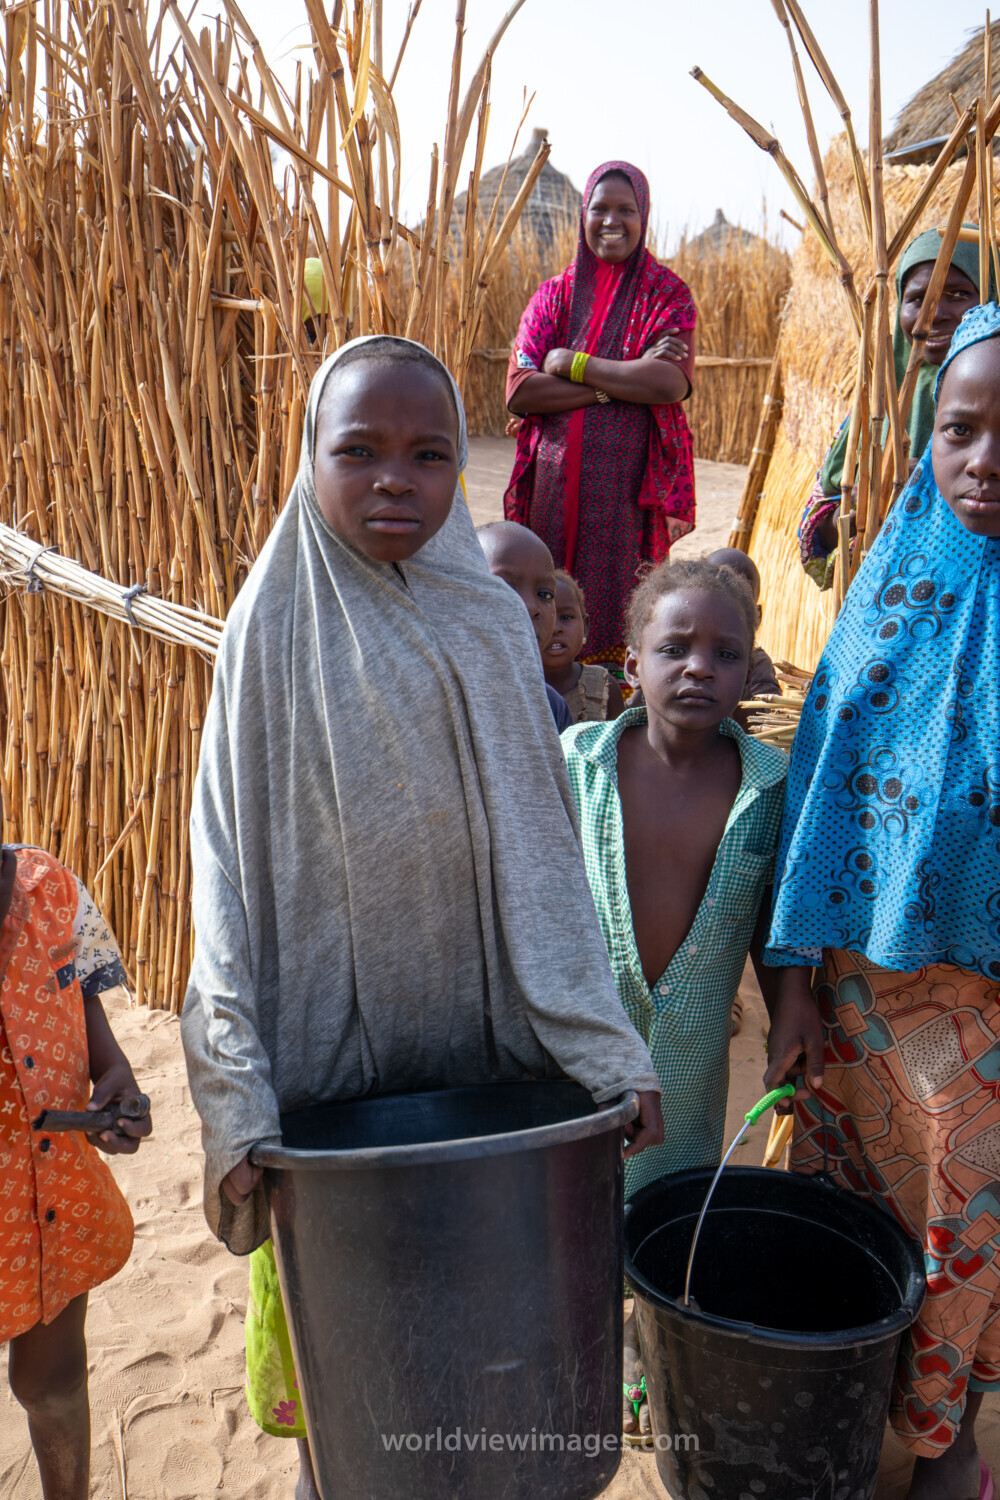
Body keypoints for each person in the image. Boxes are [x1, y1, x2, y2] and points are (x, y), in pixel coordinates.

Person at [180, 336, 664, 1499]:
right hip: (326, 1079)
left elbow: (547, 864)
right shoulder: (270, 629)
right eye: (360, 450)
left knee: (490, 1355)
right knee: (344, 1384)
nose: (395, 477)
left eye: (429, 453)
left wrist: (604, 1044)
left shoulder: (486, 625)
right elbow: (226, 866)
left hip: (484, 1058)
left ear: (462, 471)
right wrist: (237, 1084)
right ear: (311, 458)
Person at [765, 302, 1000, 1500]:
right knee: (855, 1233)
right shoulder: (889, 591)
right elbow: (821, 794)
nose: (985, 460)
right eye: (960, 429)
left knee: (966, 1243)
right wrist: (795, 986)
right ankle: (858, 1411)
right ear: (927, 434)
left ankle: (942, 1436)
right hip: (859, 1013)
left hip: (986, 1035)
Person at [561, 557, 816, 1442]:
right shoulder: (580, 764)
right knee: (570, 1200)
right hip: (581, 1049)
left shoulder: (768, 784)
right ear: (631, 663)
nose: (700, 666)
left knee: (670, 1200)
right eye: (675, 647)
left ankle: (641, 1338)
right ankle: (580, 1342)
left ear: (753, 670)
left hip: (695, 1046)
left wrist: (790, 1003)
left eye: (725, 651)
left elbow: (776, 916)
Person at [1, 844, 151, 1500]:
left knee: (51, 1384)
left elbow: (93, 1030)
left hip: (54, 1205)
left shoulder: (50, 888)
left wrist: (116, 1085)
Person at [505, 160, 697, 669]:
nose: (612, 220)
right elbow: (521, 390)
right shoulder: (554, 297)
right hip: (550, 491)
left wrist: (574, 364)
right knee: (545, 601)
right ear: (582, 214)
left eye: (626, 210)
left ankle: (612, 709)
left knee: (621, 610)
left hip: (627, 495)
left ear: (644, 216)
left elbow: (669, 383)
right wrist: (617, 386)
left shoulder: (667, 295)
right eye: (600, 208)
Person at [799, 228, 984, 590]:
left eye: (960, 294)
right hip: (884, 616)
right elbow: (815, 542)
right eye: (917, 298)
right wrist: (874, 495)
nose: (935, 312)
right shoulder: (876, 409)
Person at [477, 519, 573, 731]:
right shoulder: (430, 692)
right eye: (504, 587)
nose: (530, 607)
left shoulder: (552, 707)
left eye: (544, 594)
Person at [542, 570, 625, 722]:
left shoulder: (604, 686)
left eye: (566, 617)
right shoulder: (517, 686)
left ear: (585, 626)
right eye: (544, 618)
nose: (555, 628)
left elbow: (621, 743)